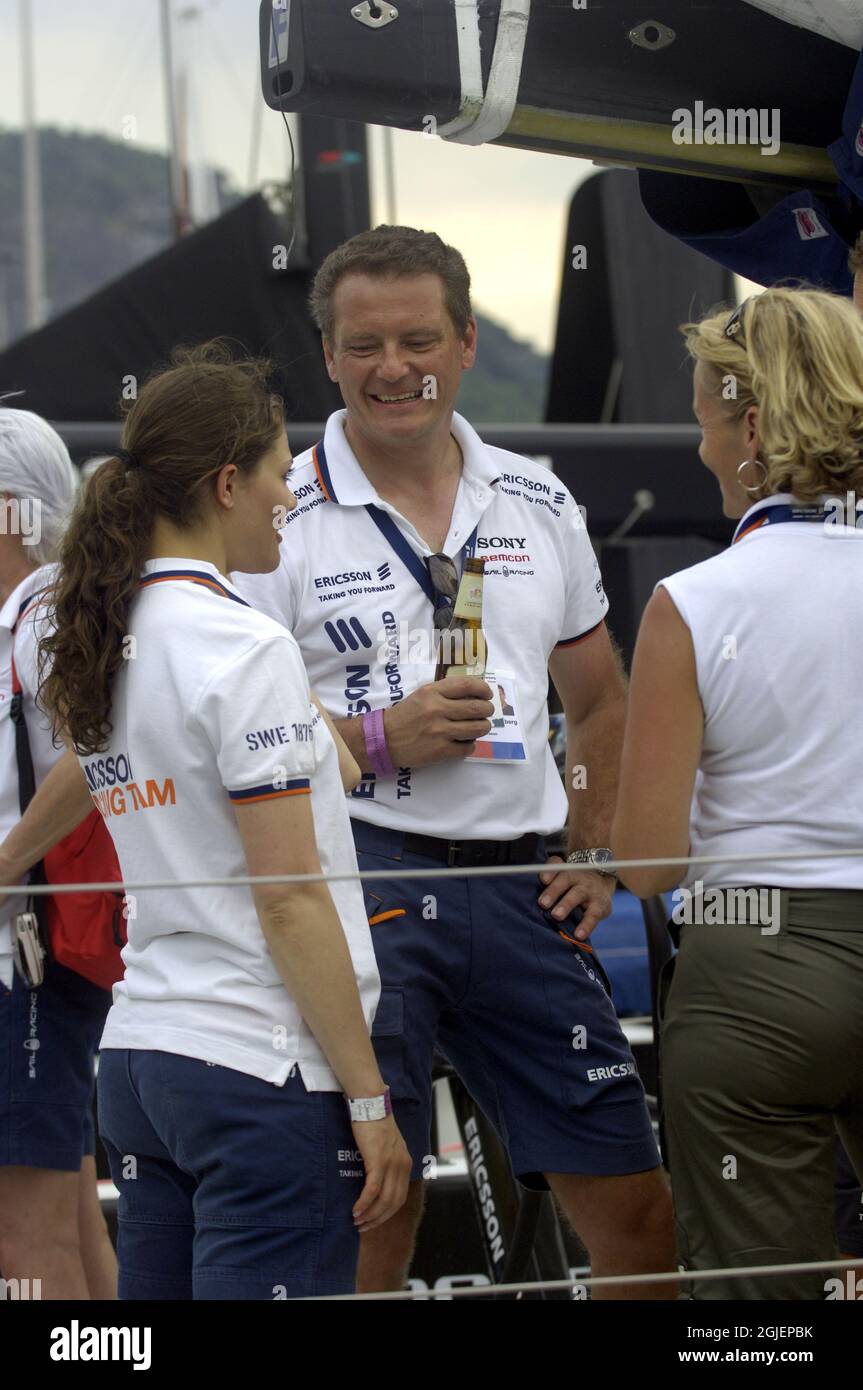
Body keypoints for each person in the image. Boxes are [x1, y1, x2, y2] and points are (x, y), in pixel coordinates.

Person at [234, 225, 674, 1296]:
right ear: (328, 358)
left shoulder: (537, 497)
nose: (394, 367)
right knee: (371, 1213)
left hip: (518, 883)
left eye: (418, 338)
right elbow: (234, 744)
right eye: (365, 345)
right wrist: (381, 737)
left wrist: (598, 846)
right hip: (360, 875)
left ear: (467, 340)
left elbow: (599, 698)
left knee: (634, 1207)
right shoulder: (273, 515)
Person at [31, 343, 410, 1300]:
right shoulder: (243, 645)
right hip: (259, 1066)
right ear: (228, 482)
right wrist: (370, 1100)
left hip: (142, 1060)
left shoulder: (112, 638)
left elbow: (331, 755)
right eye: (283, 475)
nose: (294, 498)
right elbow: (287, 900)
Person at [611, 286, 863, 1299]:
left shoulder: (693, 602)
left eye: (705, 423)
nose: (702, 448)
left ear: (752, 427)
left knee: (757, 1313)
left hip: (759, 969)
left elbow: (646, 862)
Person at [0, 407, 117, 1300]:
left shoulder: (40, 612)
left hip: (26, 965)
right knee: (70, 1222)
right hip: (38, 961)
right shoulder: (32, 611)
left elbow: (101, 750)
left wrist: (6, 863)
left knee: (26, 1248)